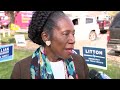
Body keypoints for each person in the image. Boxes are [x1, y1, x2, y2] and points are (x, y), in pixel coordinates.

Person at [11, 11, 89, 79]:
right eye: (66, 34)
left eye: (73, 34)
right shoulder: (21, 69)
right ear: (46, 37)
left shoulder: (80, 62)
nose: (73, 40)